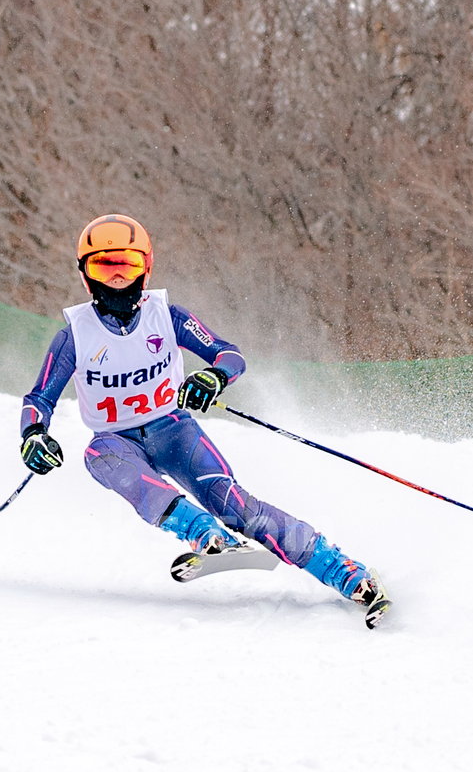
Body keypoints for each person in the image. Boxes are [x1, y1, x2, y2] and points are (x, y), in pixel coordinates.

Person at [19, 217, 389, 621]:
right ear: (85, 275)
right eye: (103, 266)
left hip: (174, 432)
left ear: (147, 265)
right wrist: (34, 434)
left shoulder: (169, 316)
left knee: (238, 509)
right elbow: (39, 398)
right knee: (97, 455)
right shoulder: (75, 334)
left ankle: (347, 574)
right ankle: (202, 533)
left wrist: (214, 376)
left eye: (127, 264)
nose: (119, 278)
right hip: (117, 440)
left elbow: (230, 355)